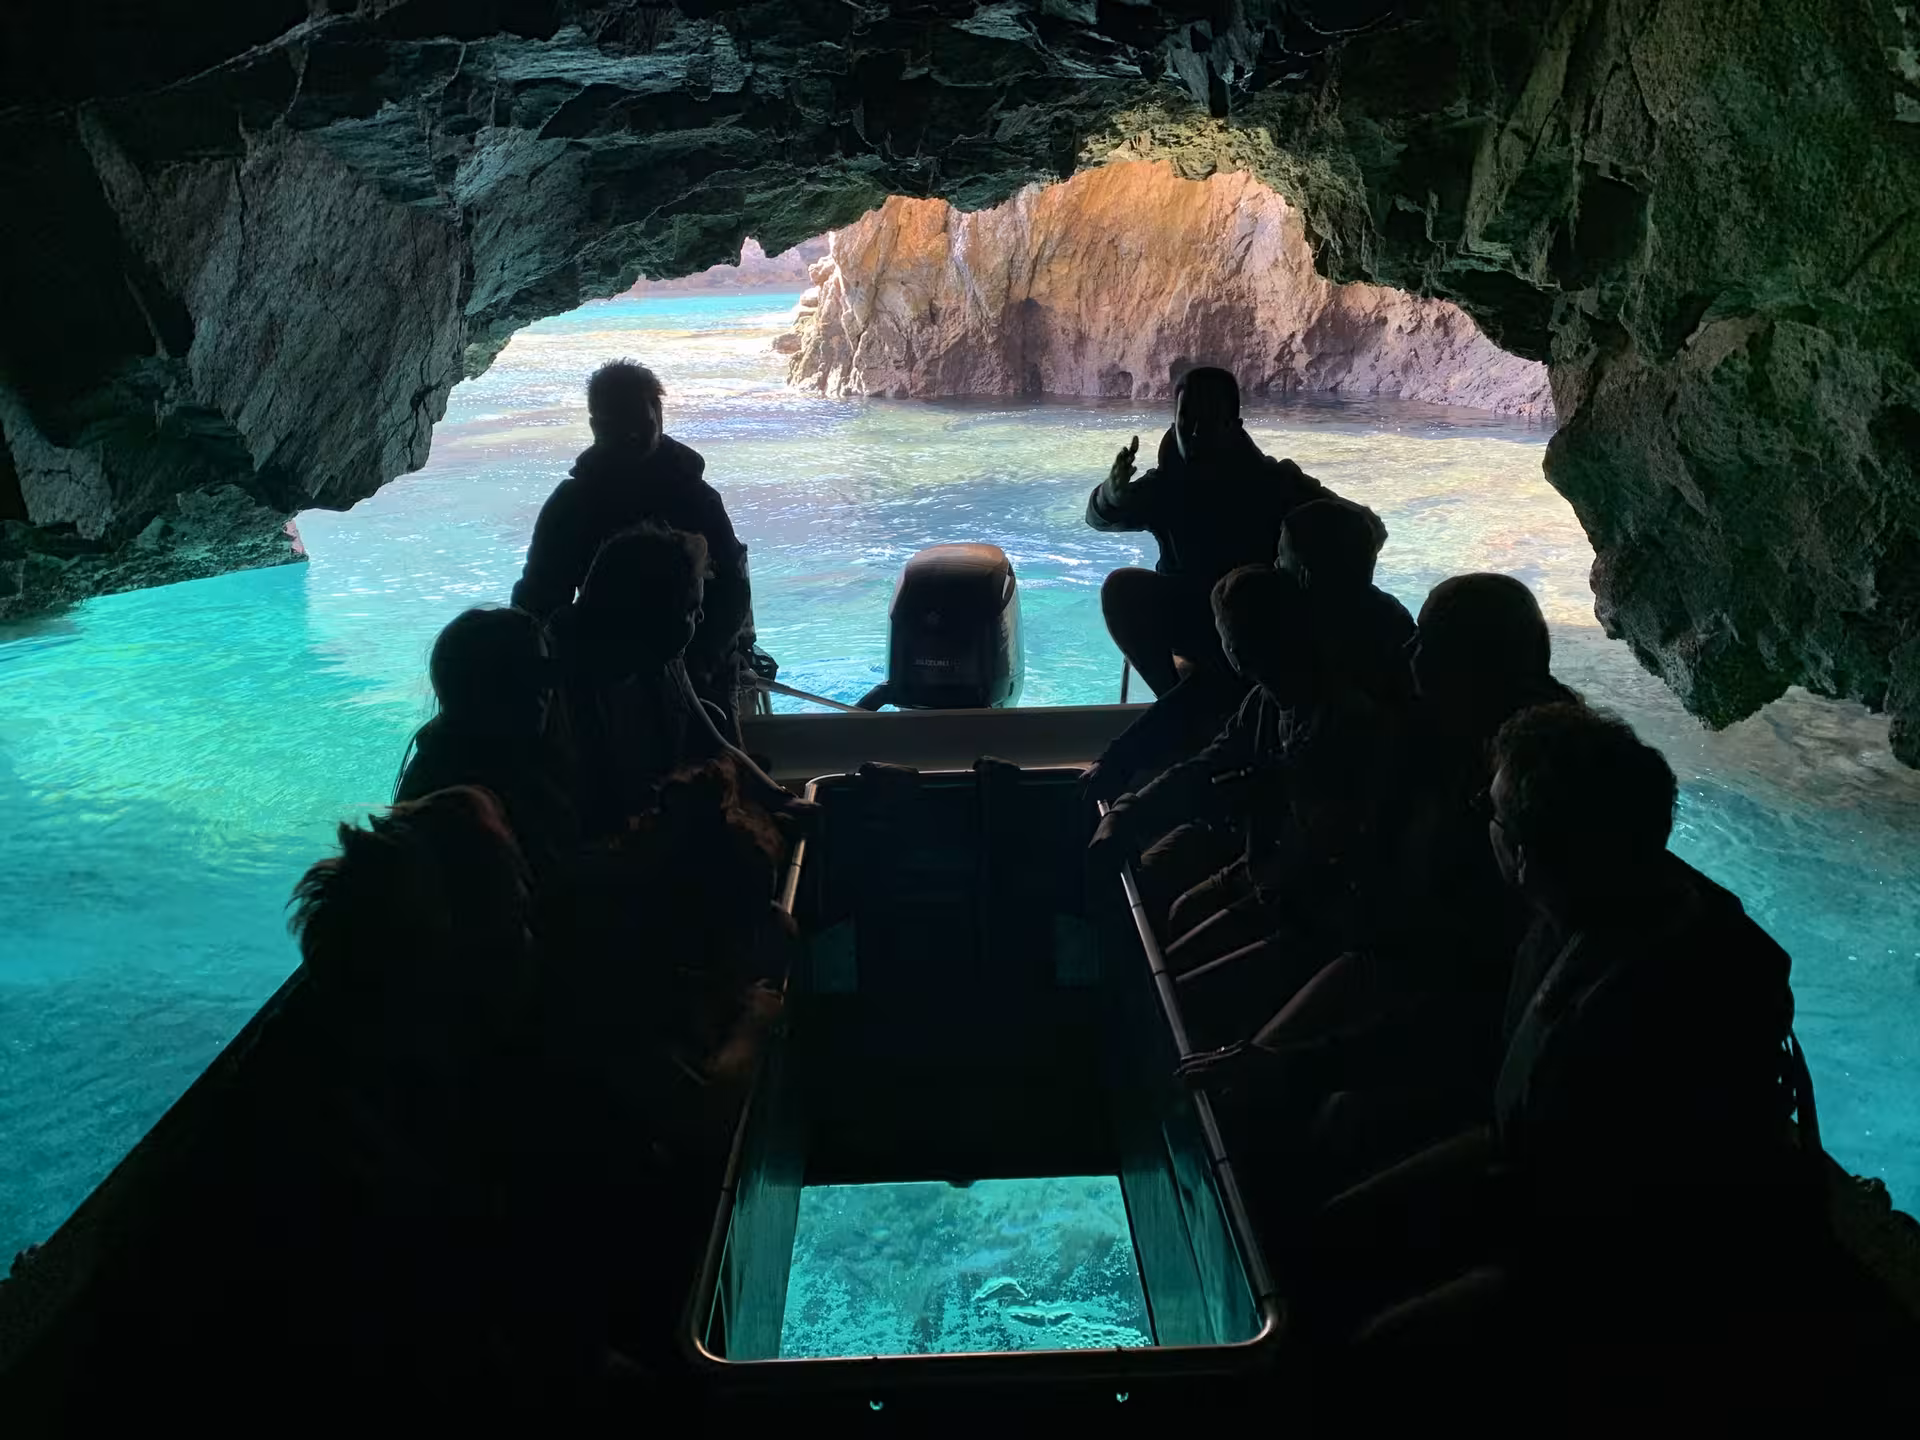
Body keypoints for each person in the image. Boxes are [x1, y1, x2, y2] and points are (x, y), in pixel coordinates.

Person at [1294, 705, 1806, 1358]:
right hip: (1555, 1187)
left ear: (1524, 858)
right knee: (1343, 1222)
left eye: (1491, 808)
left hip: (1622, 1268)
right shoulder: (1598, 907)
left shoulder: (1631, 1011)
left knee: (1380, 1342)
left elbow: (1589, 1221)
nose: (1478, 812)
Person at [1087, 366, 1364, 697]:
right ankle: (1174, 699)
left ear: (1234, 426)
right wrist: (1110, 495)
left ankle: (1198, 704)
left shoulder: (1274, 483)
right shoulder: (1166, 485)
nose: (1193, 432)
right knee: (1121, 589)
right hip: (1194, 619)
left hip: (1261, 626)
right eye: (1186, 418)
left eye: (1208, 419)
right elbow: (1100, 520)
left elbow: (1363, 527)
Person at [512, 359, 754, 732]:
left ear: (659, 413)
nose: (628, 435)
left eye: (638, 423)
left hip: (699, 667)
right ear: (595, 426)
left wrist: (703, 661)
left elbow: (732, 588)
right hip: (606, 674)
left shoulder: (697, 497)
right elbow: (540, 599)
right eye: (615, 425)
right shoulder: (574, 503)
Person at [552, 522, 801, 838]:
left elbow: (713, 737)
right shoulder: (570, 687)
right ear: (651, 613)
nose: (700, 618)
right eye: (691, 608)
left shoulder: (662, 657)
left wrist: (780, 799)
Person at [395, 606, 575, 881]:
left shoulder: (442, 770)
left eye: (542, 672)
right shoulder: (452, 800)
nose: (541, 690)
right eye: (516, 675)